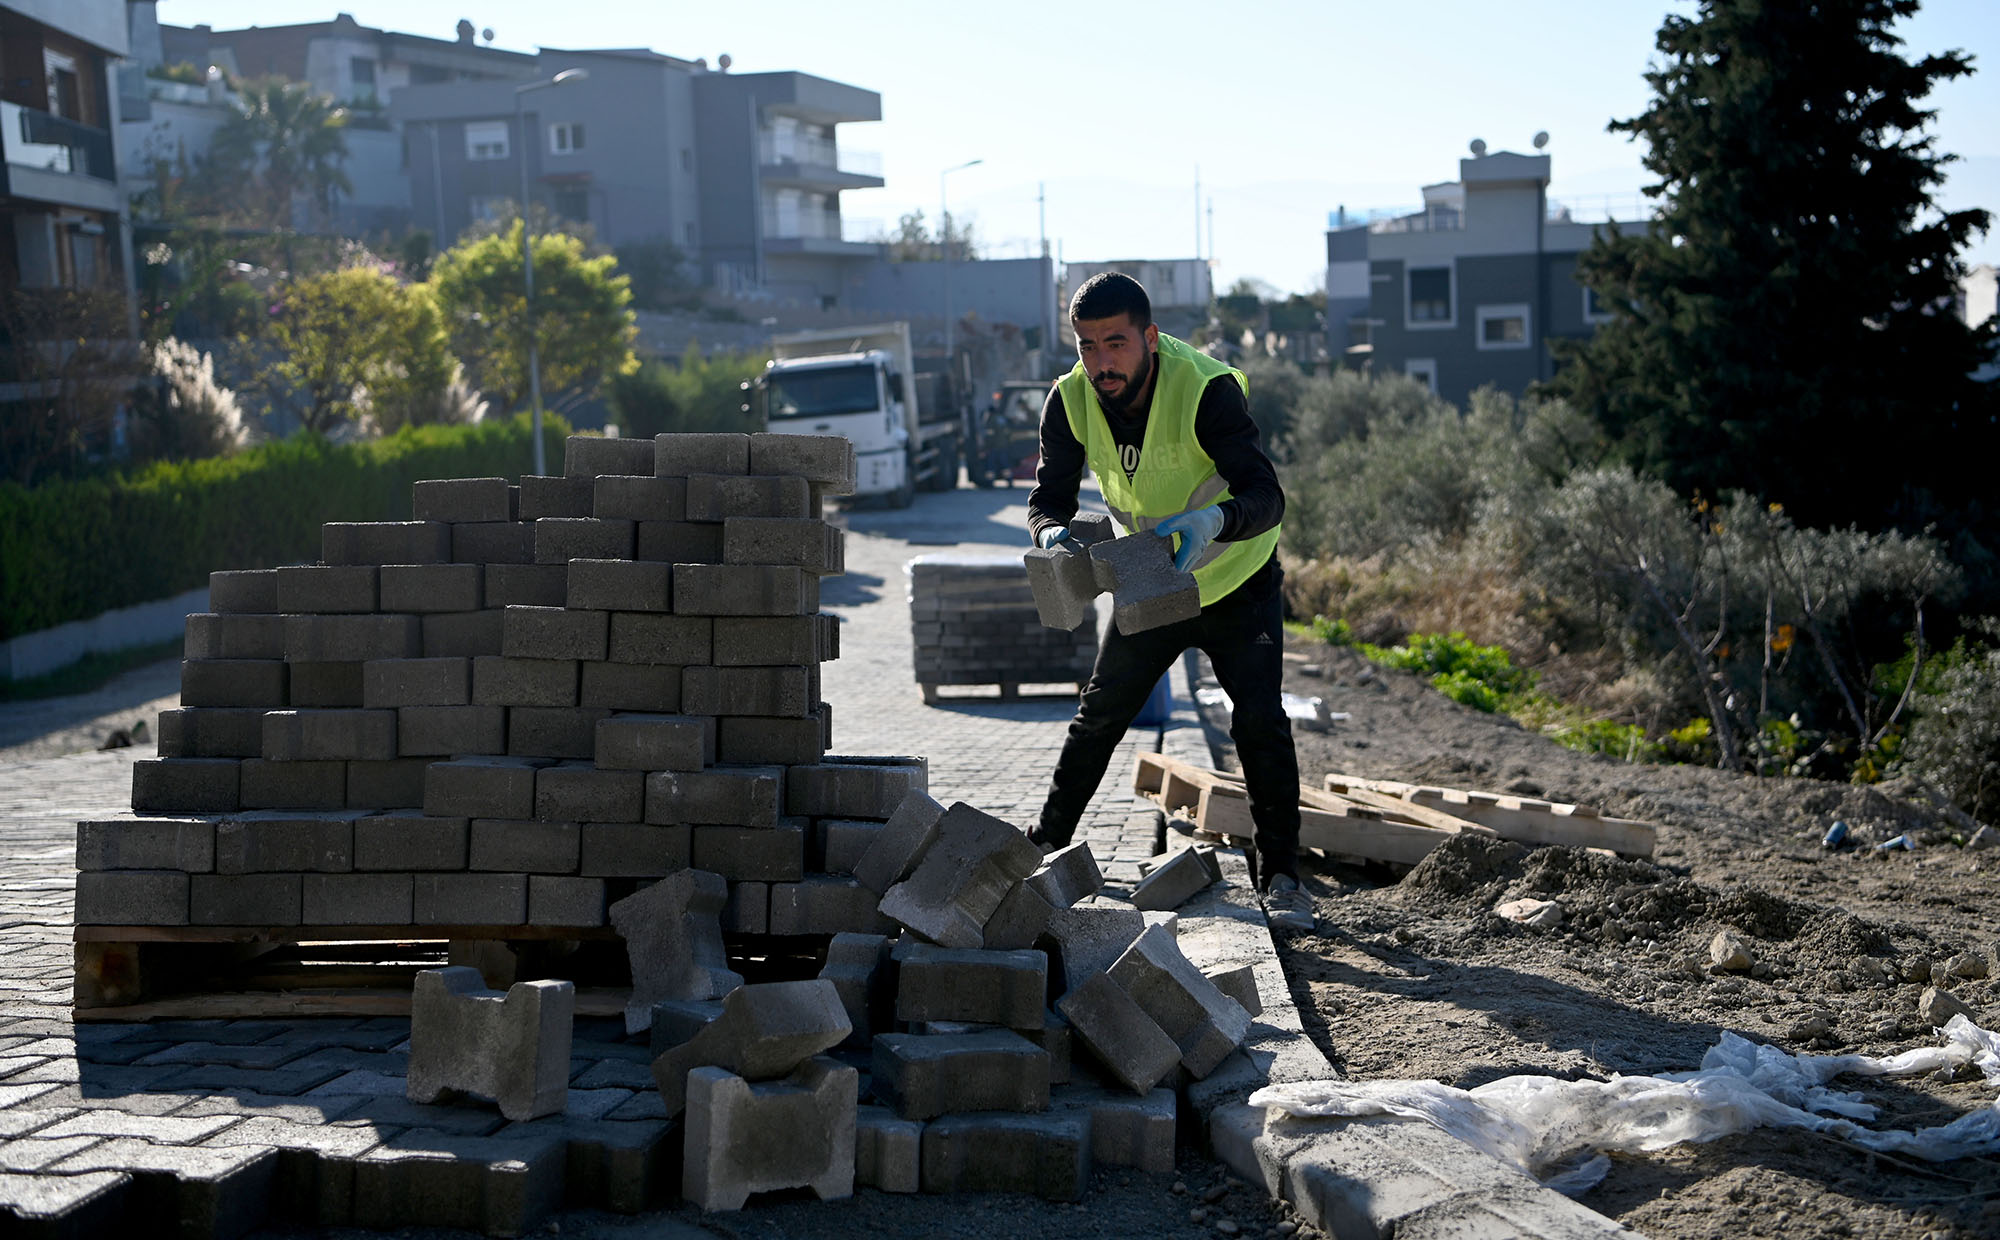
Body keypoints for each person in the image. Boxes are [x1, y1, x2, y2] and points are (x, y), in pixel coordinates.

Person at [1026, 272, 1313, 932]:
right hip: (1153, 582)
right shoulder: (1069, 400)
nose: (1102, 362)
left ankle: (1285, 879)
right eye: (1087, 346)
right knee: (1100, 714)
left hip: (1237, 577)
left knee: (1260, 722)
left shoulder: (1205, 389)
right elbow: (1048, 499)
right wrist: (1052, 534)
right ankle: (1044, 847)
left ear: (1150, 338)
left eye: (1117, 344)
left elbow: (1267, 495)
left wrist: (1213, 523)